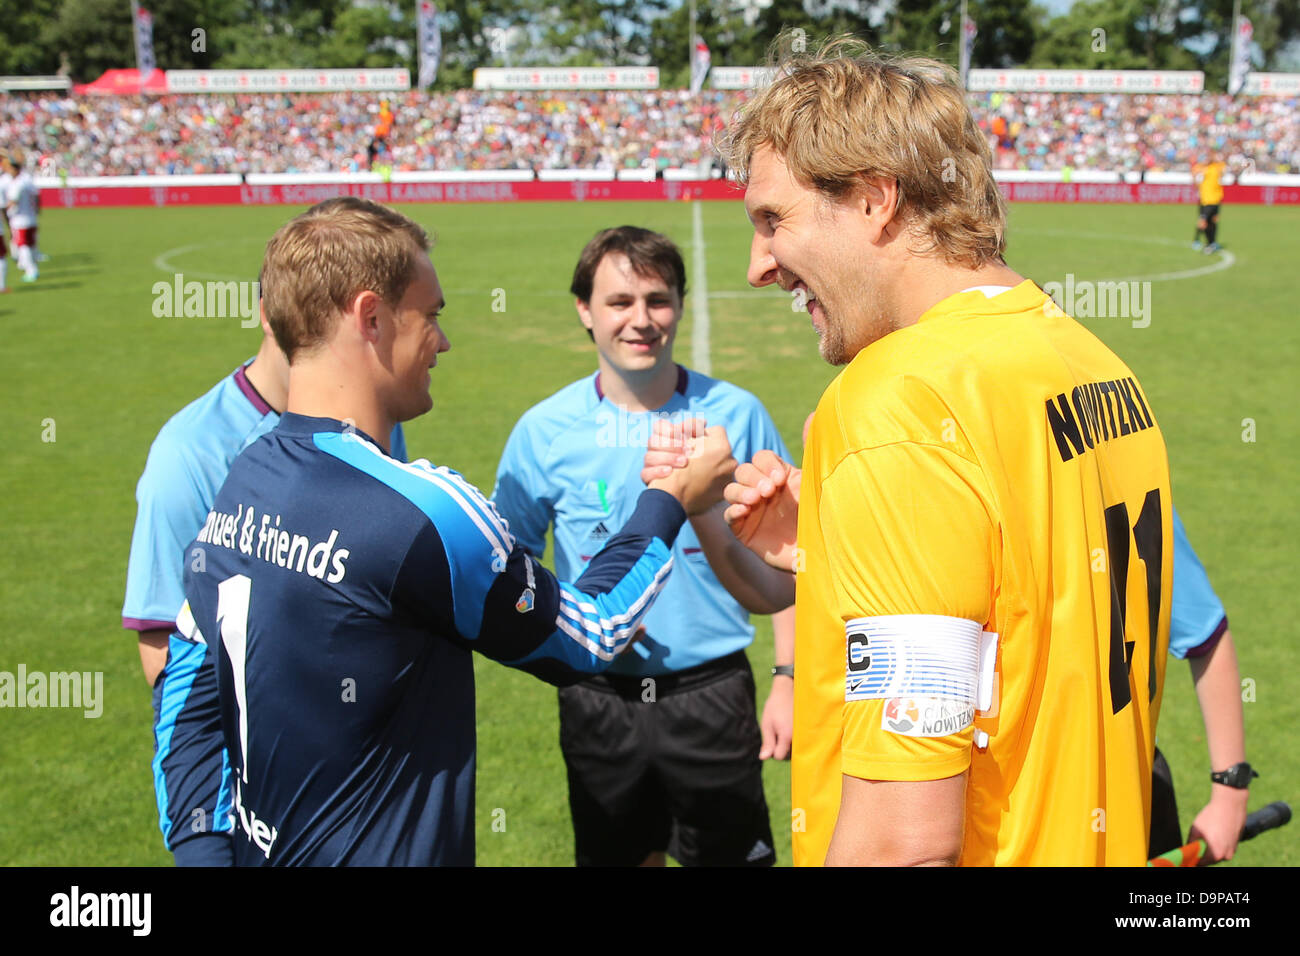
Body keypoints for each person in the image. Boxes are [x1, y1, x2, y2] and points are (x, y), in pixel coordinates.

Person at [706, 36, 1173, 866]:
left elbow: (901, 841)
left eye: (773, 219)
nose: (757, 266)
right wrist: (832, 548)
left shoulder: (902, 400)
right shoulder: (1092, 360)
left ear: (875, 198)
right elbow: (1022, 609)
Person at [180, 197, 735, 866]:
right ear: (372, 317)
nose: (442, 341)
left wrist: (203, 851)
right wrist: (670, 497)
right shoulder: (420, 511)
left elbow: (187, 691)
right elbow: (595, 629)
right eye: (432, 315)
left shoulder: (245, 476)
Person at [492, 226, 796, 867]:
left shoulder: (735, 414)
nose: (641, 320)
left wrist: (787, 679)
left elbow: (788, 555)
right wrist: (566, 627)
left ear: (681, 305)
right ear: (585, 311)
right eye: (619, 302)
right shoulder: (544, 432)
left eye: (658, 300)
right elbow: (511, 569)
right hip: (598, 698)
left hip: (711, 694)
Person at [122, 301, 408, 865]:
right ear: (273, 312)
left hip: (369, 785)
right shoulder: (189, 455)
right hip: (266, 798)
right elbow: (163, 646)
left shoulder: (374, 419)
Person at [1149, 507, 1253, 862]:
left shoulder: (1128, 465)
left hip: (1134, 789)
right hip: (1001, 795)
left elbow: (1204, 631)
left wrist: (1230, 791)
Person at [2, 152, 39, 282]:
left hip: (19, 219)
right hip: (31, 217)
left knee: (22, 245)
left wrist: (4, 208)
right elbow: (36, 196)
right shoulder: (26, 180)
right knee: (31, 244)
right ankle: (31, 267)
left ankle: (31, 270)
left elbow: (13, 201)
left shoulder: (17, 183)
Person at [1192, 153, 1228, 253]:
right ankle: (1198, 240)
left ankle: (1212, 243)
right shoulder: (1200, 168)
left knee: (1213, 222)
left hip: (1216, 200)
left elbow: (1223, 168)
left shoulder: (1216, 167)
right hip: (1206, 201)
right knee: (1203, 222)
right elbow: (1195, 177)